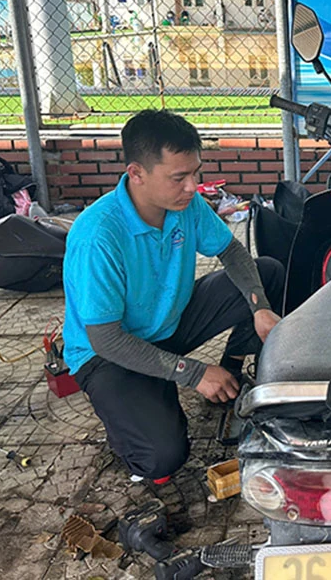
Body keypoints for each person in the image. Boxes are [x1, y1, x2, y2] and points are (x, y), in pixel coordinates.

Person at [62, 110, 285, 482]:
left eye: (195, 173)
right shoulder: (98, 236)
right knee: (161, 459)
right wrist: (192, 373)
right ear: (137, 174)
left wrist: (260, 309)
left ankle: (229, 373)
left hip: (169, 323)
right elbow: (105, 338)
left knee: (266, 273)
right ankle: (133, 416)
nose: (192, 187)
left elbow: (231, 252)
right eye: (179, 177)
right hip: (107, 355)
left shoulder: (185, 205)